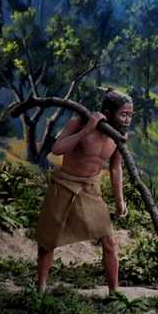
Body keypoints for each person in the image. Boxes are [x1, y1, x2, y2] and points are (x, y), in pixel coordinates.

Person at [34, 90, 132, 296]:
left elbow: (116, 168)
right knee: (47, 241)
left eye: (130, 115)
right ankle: (40, 290)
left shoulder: (119, 136)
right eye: (123, 114)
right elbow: (57, 149)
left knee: (109, 241)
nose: (127, 119)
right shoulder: (78, 123)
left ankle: (114, 293)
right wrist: (87, 129)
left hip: (90, 188)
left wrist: (119, 200)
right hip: (64, 185)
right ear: (107, 112)